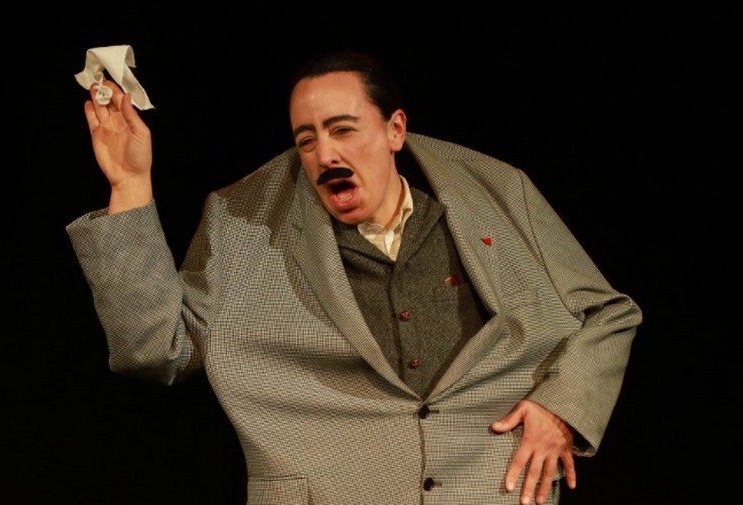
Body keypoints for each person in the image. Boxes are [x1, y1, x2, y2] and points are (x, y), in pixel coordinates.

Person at [67, 50, 642, 505]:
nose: (324, 154)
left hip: (490, 490)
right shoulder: (243, 221)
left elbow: (607, 312)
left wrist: (563, 408)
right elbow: (154, 349)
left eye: (343, 130)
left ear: (395, 129)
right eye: (306, 138)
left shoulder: (492, 191)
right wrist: (129, 186)